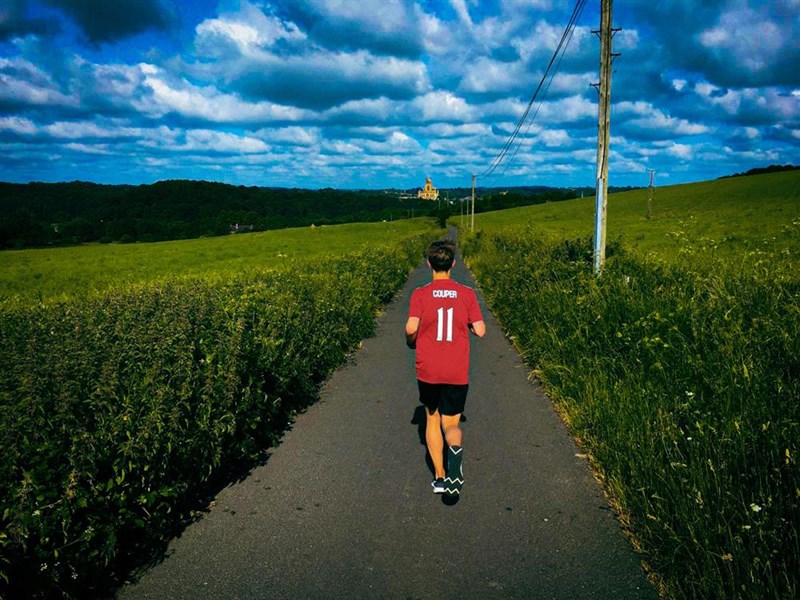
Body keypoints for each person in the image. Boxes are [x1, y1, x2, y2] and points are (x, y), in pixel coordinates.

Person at [405, 239, 485, 496]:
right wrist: (468, 324)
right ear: (453, 264)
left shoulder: (420, 294)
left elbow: (411, 328)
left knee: (432, 417)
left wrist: (411, 340)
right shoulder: (467, 293)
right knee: (451, 423)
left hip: (428, 368)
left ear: (429, 264)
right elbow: (480, 330)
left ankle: (440, 477)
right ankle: (455, 457)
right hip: (456, 370)